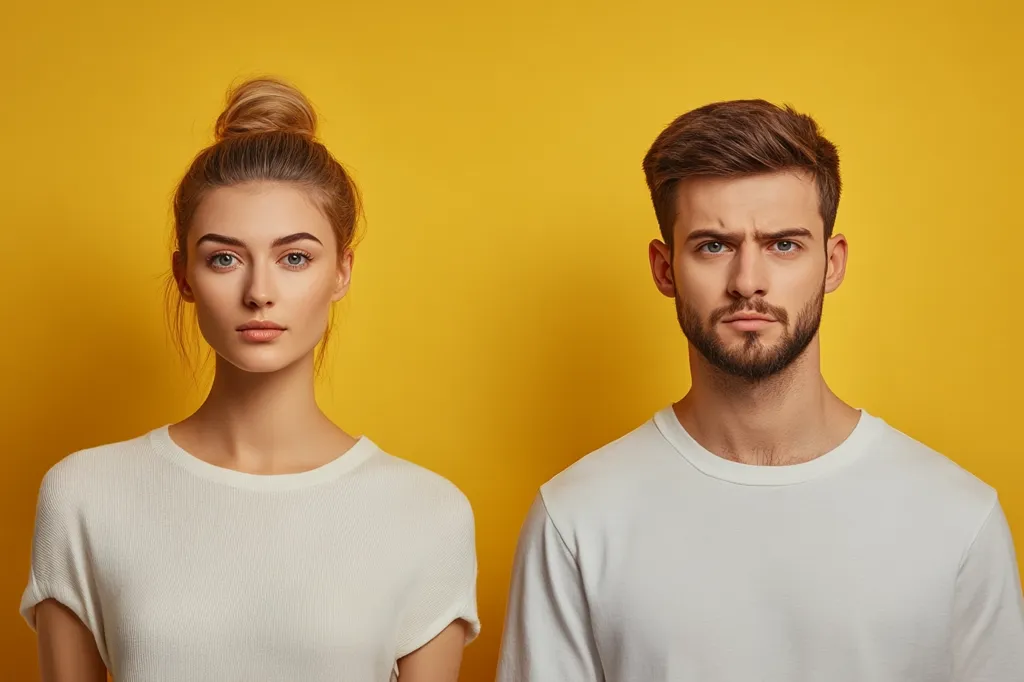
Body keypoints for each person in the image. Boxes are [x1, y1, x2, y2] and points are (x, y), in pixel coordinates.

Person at [495, 99, 1024, 682]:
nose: (748, 282)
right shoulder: (576, 519)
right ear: (665, 268)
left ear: (832, 263)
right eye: (713, 246)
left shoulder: (956, 517)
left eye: (784, 244)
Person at [21, 77, 479, 682]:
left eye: (294, 258)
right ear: (184, 276)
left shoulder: (427, 513)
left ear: (341, 271)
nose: (259, 292)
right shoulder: (83, 496)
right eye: (224, 258)